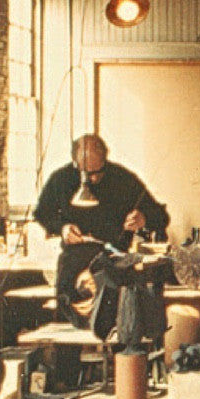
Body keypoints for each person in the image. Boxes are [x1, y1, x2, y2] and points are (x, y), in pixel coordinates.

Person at [33, 134, 169, 324]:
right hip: (73, 262)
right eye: (86, 174)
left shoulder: (123, 179)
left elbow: (161, 217)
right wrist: (62, 228)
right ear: (75, 163)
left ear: (105, 158)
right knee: (66, 327)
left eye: (98, 172)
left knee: (115, 327)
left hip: (113, 262)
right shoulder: (61, 179)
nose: (92, 180)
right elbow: (41, 213)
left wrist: (143, 218)